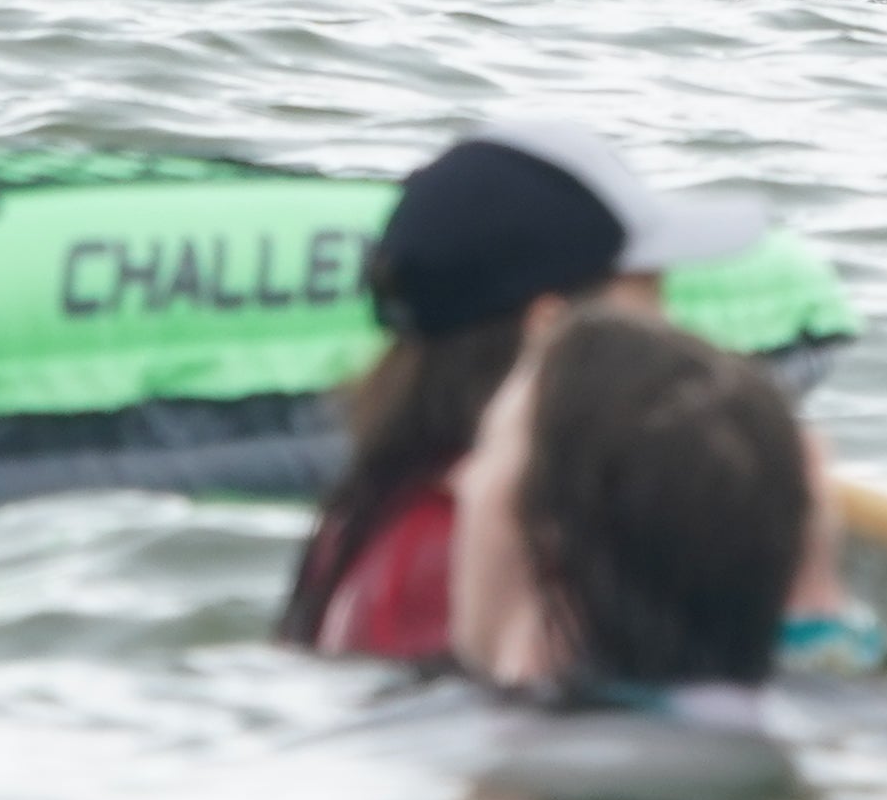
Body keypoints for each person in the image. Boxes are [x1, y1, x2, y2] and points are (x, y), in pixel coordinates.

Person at [285, 123, 779, 663]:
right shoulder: (465, 549)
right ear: (552, 330)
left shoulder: (388, 503)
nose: (673, 326)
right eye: (651, 294)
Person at [445, 308, 816, 707]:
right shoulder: (806, 710)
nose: (459, 481)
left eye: (486, 448)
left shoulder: (438, 749)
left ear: (548, 532)